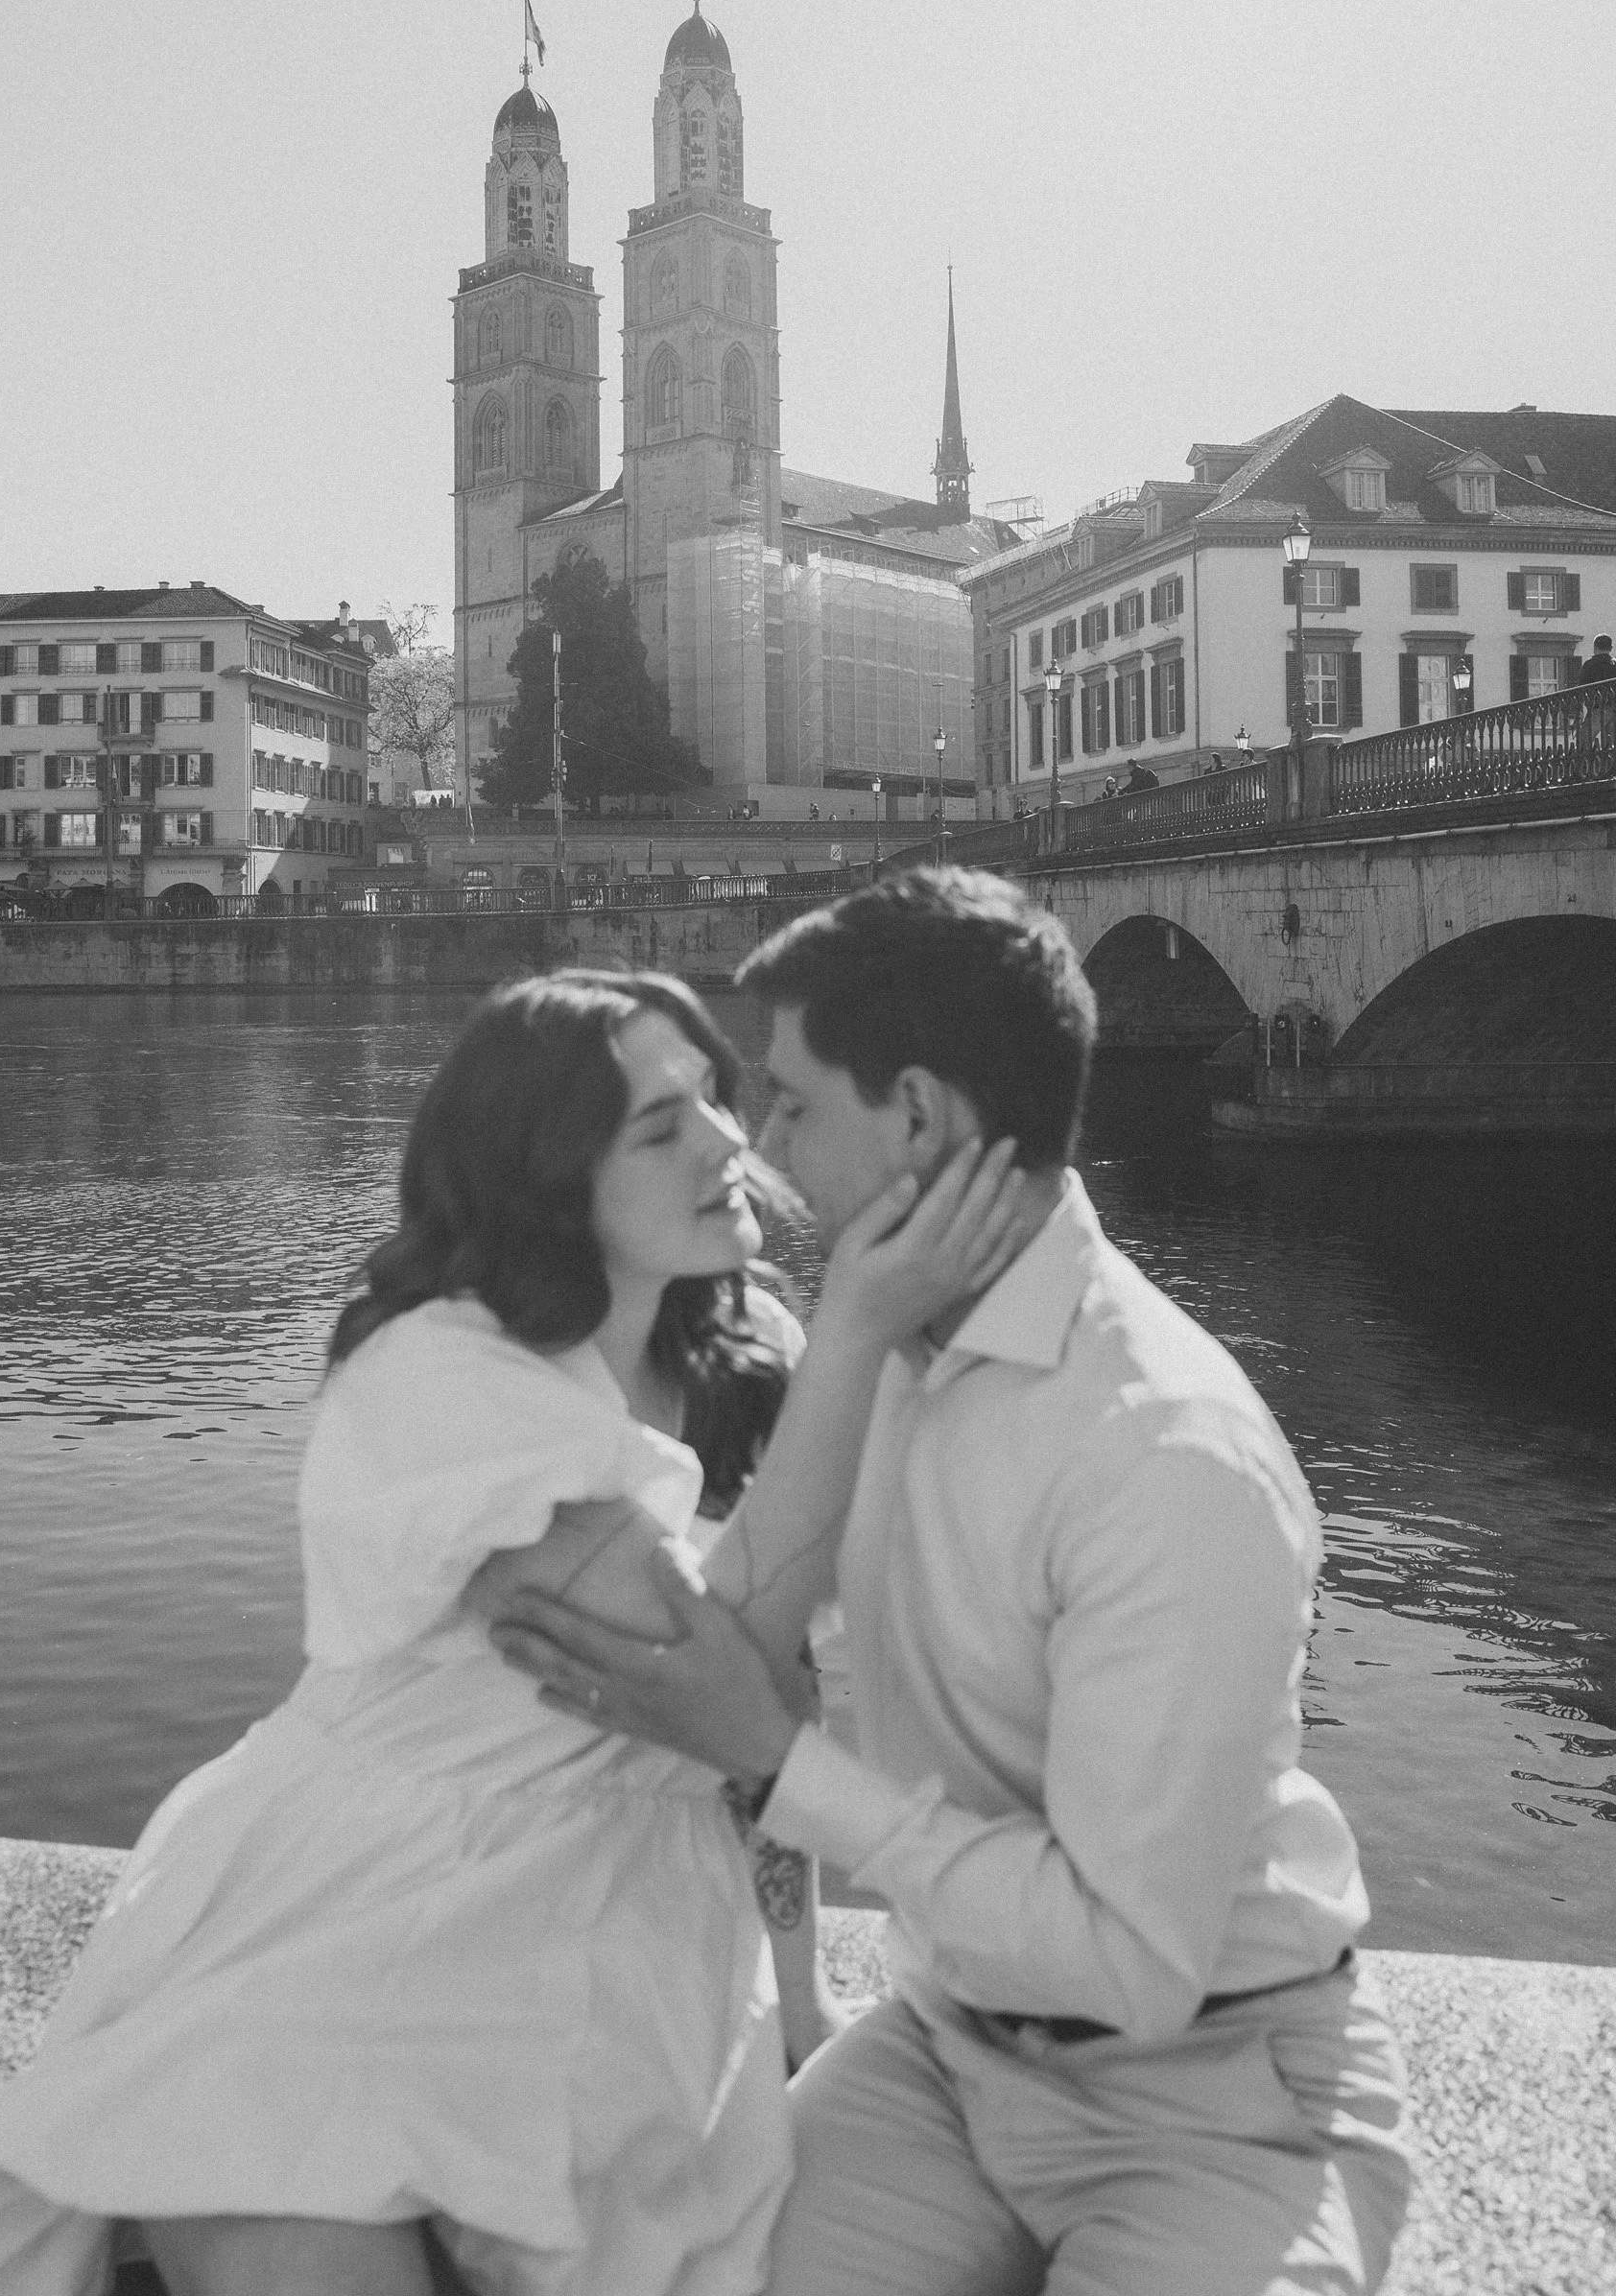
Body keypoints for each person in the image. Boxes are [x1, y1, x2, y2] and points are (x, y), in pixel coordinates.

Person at [0, 967, 1031, 2296]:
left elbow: (757, 1729)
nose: (731, 1143)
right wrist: (864, 1321)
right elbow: (703, 1661)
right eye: (663, 1127)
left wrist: (796, 2010)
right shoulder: (436, 1378)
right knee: (299, 2236)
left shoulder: (756, 1354)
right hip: (372, 1907)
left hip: (627, 1939)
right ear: (548, 1175)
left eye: (720, 1103)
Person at [495, 874, 1411, 2296]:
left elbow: (1130, 1964)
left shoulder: (1164, 1452)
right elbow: (736, 1631)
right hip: (949, 2050)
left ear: (916, 1116)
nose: (761, 1145)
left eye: (792, 1101)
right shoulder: (870, 1350)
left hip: (1220, 2097)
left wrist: (777, 1757)